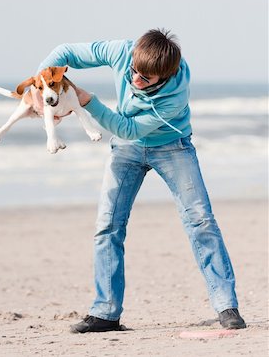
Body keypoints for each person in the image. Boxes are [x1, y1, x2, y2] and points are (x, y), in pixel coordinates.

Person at [38, 29, 246, 333]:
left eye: (145, 78)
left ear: (165, 75)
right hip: (127, 151)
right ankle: (106, 313)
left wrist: (86, 100)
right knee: (107, 225)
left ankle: (226, 305)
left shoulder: (174, 93)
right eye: (134, 71)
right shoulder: (122, 52)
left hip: (171, 146)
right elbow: (64, 51)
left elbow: (127, 128)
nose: (135, 79)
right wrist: (39, 86)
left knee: (201, 221)